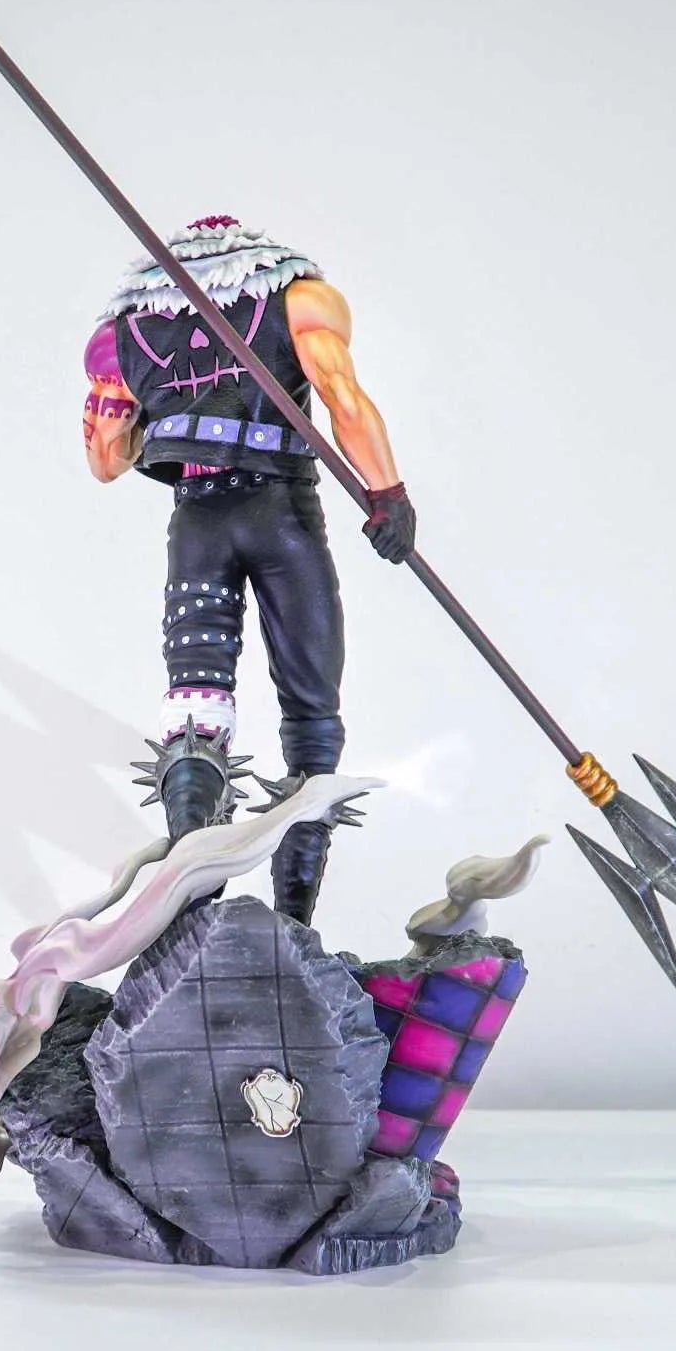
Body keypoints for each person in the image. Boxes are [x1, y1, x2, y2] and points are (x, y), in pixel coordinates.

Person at [80, 216, 416, 923]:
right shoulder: (300, 301)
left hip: (198, 522)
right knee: (313, 714)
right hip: (282, 515)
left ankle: (193, 912)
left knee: (196, 711)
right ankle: (294, 924)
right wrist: (386, 490)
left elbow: (106, 457)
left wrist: (172, 415)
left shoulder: (123, 333)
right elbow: (342, 397)